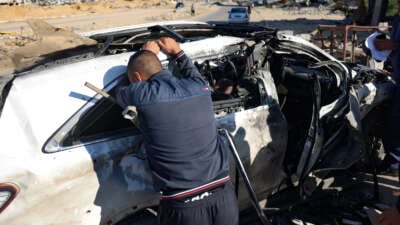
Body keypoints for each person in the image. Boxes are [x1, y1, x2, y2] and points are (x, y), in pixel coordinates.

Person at [115, 37, 239, 225]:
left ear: (138, 79)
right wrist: (177, 52)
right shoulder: (200, 86)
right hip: (224, 196)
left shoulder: (141, 94)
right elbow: (192, 72)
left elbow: (119, 92)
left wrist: (147, 54)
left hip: (184, 205)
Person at [374, 1, 400, 224]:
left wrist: (390, 45)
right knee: (392, 126)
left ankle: (394, 163)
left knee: (394, 126)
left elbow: (394, 44)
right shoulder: (398, 18)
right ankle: (393, 163)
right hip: (398, 77)